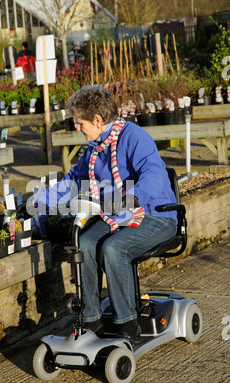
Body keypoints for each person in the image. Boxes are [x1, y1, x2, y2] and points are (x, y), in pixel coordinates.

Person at [34, 85, 178, 343]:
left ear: (97, 120)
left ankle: (128, 323)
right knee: (86, 243)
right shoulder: (94, 149)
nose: (76, 128)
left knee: (113, 249)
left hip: (157, 215)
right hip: (118, 215)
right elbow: (72, 183)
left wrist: (130, 199)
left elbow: (154, 175)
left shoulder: (134, 137)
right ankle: (91, 320)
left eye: (79, 123)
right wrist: (35, 204)